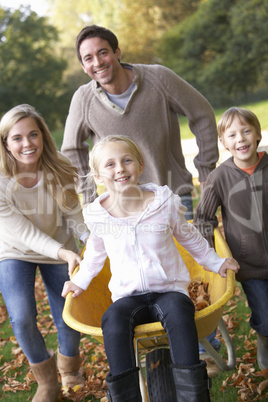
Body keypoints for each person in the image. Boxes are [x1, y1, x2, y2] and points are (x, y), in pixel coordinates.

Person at [62, 135, 239, 401]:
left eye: (126, 160)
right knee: (112, 320)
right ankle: (125, 397)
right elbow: (95, 256)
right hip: (127, 297)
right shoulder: (99, 216)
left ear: (140, 165)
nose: (120, 168)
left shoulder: (162, 204)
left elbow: (189, 238)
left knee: (180, 313)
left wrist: (216, 262)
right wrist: (80, 282)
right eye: (109, 165)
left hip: (168, 291)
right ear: (99, 177)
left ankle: (193, 395)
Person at [61, 24, 219, 219]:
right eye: (88, 58)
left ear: (117, 52)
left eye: (103, 53)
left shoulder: (159, 78)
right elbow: (71, 149)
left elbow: (202, 113)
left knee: (190, 249)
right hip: (122, 207)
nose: (98, 62)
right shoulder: (83, 99)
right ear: (84, 67)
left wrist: (206, 171)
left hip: (172, 196)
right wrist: (89, 196)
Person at [0, 104, 90, 402]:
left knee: (67, 314)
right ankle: (48, 382)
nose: (27, 144)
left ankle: (69, 368)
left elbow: (73, 213)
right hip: (14, 250)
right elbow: (23, 233)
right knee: (22, 317)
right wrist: (63, 253)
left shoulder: (57, 166)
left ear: (43, 136)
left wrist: (88, 240)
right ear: (5, 142)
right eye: (17, 138)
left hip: (59, 246)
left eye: (33, 135)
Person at [194, 107, 268, 372]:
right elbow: (203, 218)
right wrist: (212, 258)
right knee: (266, 316)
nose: (241, 139)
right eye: (232, 134)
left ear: (258, 134)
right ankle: (264, 339)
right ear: (223, 143)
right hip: (249, 264)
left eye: (246, 131)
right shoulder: (219, 178)